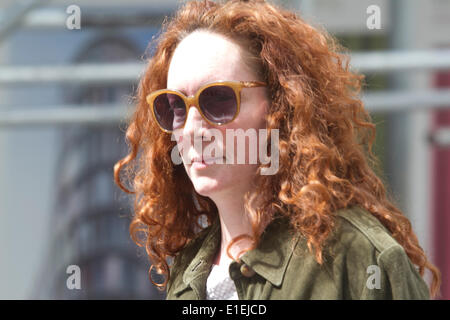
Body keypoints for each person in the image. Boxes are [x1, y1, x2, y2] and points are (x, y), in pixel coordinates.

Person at [114, 0, 441, 299]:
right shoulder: (187, 273)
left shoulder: (354, 259)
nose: (193, 129)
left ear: (280, 109)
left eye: (218, 99)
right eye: (175, 107)